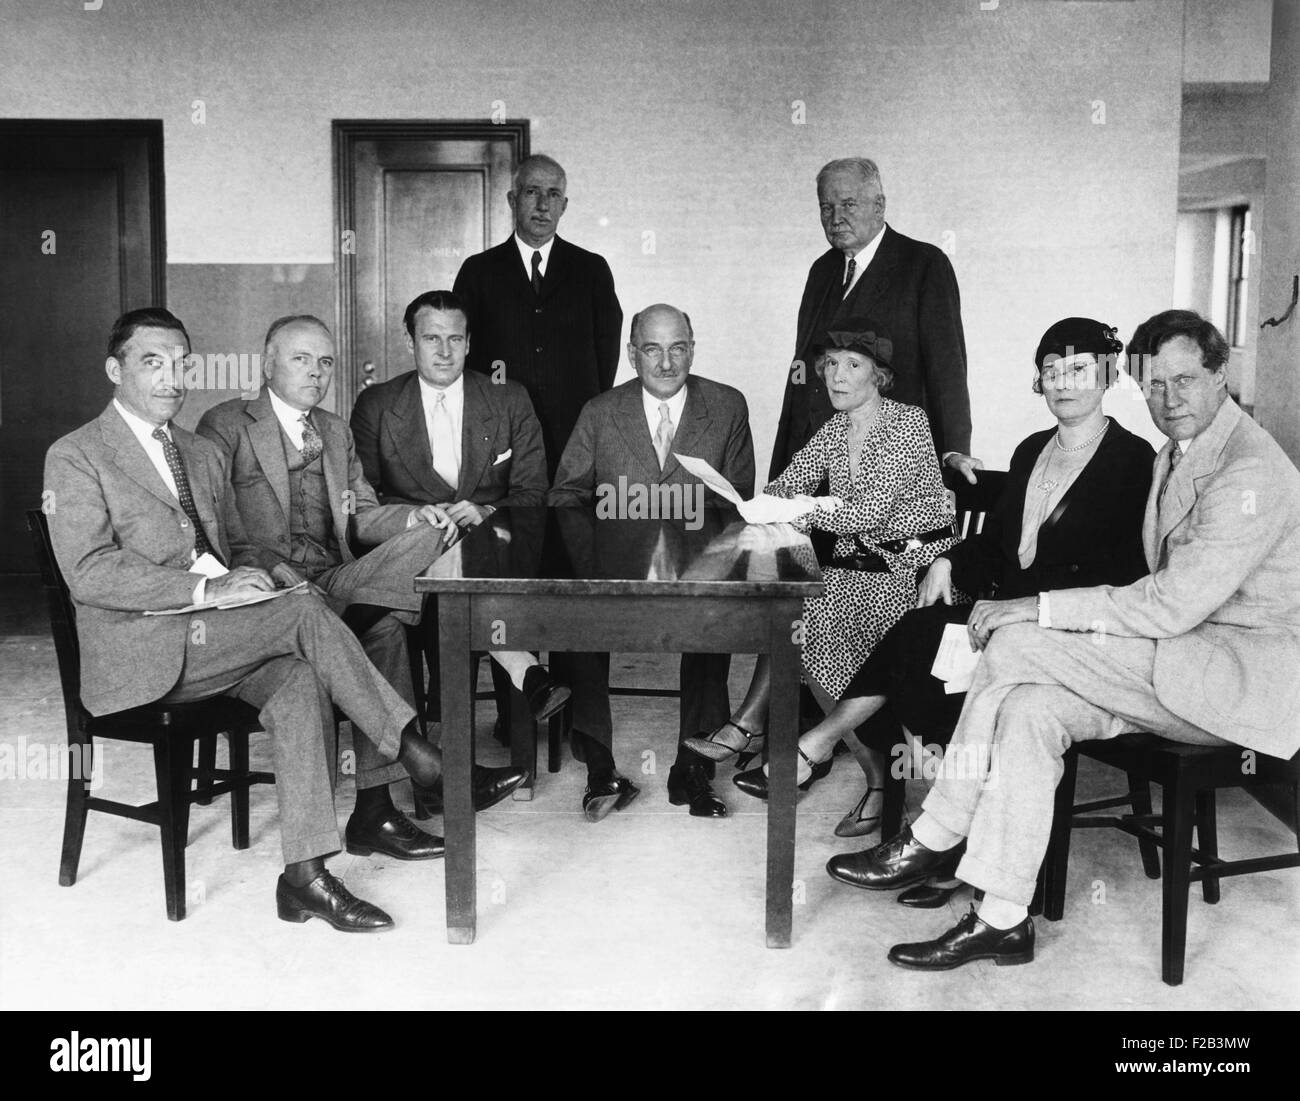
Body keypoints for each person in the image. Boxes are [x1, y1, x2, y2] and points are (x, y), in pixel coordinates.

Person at [826, 310, 1300, 971]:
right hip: (1167, 658)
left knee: (1014, 644)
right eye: (1156, 384)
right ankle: (1002, 918)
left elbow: (1166, 601)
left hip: (1229, 679)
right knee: (1027, 709)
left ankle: (935, 831)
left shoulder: (1246, 469)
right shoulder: (1179, 450)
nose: (1170, 398)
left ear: (1222, 375)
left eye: (1186, 379)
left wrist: (1035, 607)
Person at [44, 307, 465, 931]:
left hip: (227, 628)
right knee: (304, 614)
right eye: (152, 362)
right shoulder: (76, 455)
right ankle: (415, 753)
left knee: (298, 677)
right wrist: (206, 589)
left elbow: (237, 544)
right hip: (143, 647)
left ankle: (304, 877)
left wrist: (251, 578)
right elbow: (91, 572)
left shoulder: (198, 450)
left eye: (181, 363)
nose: (171, 377)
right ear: (115, 370)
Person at [750, 319, 1153, 908]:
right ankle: (942, 840)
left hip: (1064, 628)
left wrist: (1028, 607)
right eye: (1051, 371)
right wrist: (949, 563)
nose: (1064, 384)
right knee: (917, 637)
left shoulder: (1132, 458)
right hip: (1001, 611)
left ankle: (823, 753)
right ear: (1037, 381)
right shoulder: (1031, 450)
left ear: (1109, 376)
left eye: (1079, 371)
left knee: (923, 648)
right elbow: (995, 544)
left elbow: (1123, 573)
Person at [198, 314, 537, 836]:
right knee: (383, 631)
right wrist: (268, 570)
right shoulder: (226, 424)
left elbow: (360, 515)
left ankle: (386, 801)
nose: (316, 373)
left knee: (442, 530)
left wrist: (412, 518)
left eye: (326, 362)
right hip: (273, 594)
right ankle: (383, 809)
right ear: (268, 363)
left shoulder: (334, 431)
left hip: (334, 580)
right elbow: (218, 528)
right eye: (301, 359)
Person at [685, 321, 957, 799]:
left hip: (915, 575)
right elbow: (790, 482)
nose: (837, 375)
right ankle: (844, 768)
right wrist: (768, 504)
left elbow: (867, 514)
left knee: (807, 617)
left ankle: (781, 741)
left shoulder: (907, 423)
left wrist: (804, 509)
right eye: (831, 364)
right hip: (861, 569)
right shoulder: (835, 427)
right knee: (794, 610)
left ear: (880, 376)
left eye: (853, 365)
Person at [549, 303, 755, 820]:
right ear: (632, 354)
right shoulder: (601, 410)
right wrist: (588, 563)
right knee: (579, 620)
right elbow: (566, 494)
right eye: (652, 349)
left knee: (714, 620)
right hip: (614, 564)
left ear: (692, 347)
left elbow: (738, 499)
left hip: (696, 565)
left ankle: (694, 768)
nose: (666, 362)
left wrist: (712, 561)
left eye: (678, 348)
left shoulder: (727, 405)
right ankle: (600, 768)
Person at [769, 157, 978, 484]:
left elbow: (947, 367)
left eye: (848, 204)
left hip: (883, 463)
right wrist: (784, 456)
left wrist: (952, 448)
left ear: (879, 206)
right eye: (826, 208)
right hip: (810, 459)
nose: (836, 218)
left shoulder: (923, 264)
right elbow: (802, 368)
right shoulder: (821, 270)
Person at [453, 154, 622, 478]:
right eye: (532, 192)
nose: (543, 205)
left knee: (571, 521)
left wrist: (590, 413)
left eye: (553, 194)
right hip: (502, 431)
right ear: (512, 199)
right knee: (506, 522)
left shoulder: (591, 270)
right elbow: (462, 348)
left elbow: (607, 349)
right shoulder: (478, 271)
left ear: (565, 205)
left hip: (574, 432)